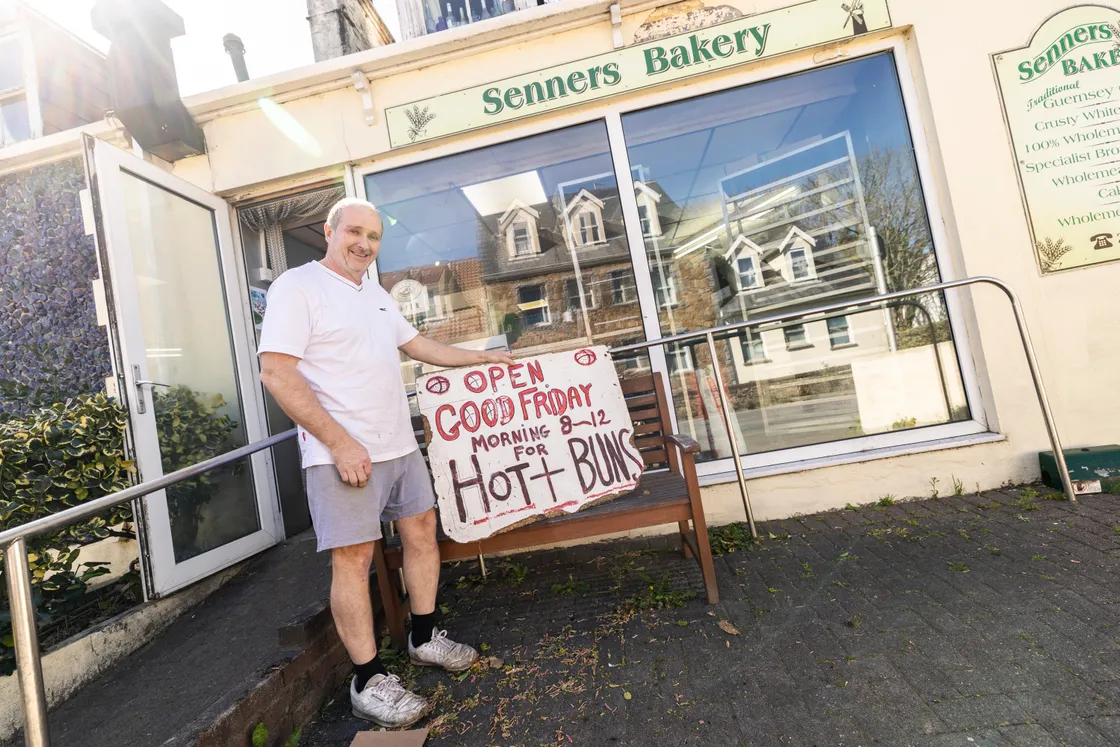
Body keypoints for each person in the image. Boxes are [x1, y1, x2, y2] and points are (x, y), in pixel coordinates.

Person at [257, 197, 514, 728]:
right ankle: (368, 679)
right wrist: (341, 443)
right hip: (341, 455)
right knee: (353, 559)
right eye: (354, 232)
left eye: (373, 237)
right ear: (329, 231)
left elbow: (416, 344)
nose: (364, 245)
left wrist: (482, 357)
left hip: (397, 445)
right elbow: (277, 372)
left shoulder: (372, 292)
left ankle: (423, 637)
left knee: (422, 530)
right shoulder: (297, 287)